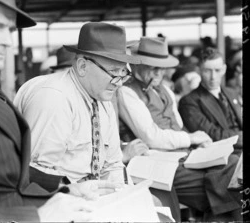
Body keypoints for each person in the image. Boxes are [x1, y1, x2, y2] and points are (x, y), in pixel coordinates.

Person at [0, 0, 119, 222]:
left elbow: (9, 180)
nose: (7, 41)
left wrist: (65, 190)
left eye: (10, 30)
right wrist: (38, 216)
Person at [117, 37, 242, 221]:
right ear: (137, 65)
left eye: (162, 67)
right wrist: (191, 139)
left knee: (234, 165)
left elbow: (179, 127)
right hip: (159, 162)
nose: (159, 73)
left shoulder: (165, 91)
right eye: (153, 67)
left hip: (183, 158)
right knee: (231, 182)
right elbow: (152, 137)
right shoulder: (126, 91)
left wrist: (198, 146)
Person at [14, 22, 141, 185]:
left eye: (123, 72)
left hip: (93, 195)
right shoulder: (54, 98)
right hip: (59, 199)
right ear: (82, 66)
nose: (119, 83)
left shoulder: (102, 98)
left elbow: (113, 164)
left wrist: (126, 195)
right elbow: (36, 175)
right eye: (113, 72)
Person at [179, 47, 243, 156]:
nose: (213, 77)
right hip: (223, 154)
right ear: (199, 70)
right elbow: (212, 134)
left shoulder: (232, 93)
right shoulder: (188, 102)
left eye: (217, 70)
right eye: (207, 71)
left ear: (224, 69)